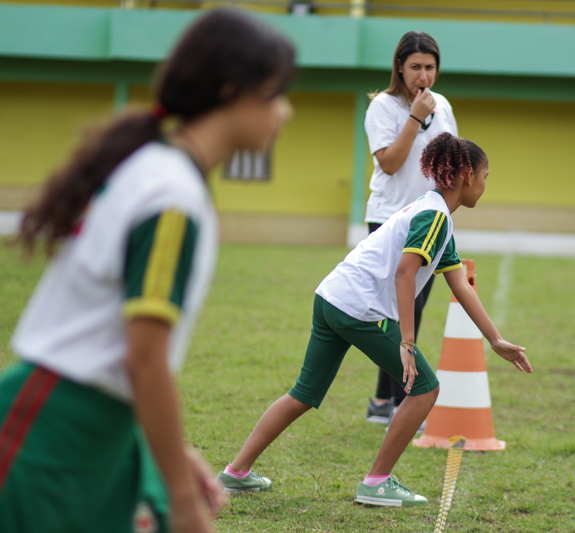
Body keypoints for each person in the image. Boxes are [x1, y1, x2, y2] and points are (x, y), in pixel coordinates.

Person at [0, 10, 295, 533]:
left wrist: (173, 456)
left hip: (98, 429)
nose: (285, 113)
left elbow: (120, 359)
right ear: (231, 90)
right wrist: (182, 500)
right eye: (275, 95)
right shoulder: (171, 196)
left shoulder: (160, 172)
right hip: (50, 434)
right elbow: (142, 358)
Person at [216, 132, 532, 507]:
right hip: (360, 308)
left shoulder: (432, 212)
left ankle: (235, 473)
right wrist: (408, 343)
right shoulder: (433, 215)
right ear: (465, 175)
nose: (484, 184)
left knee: (303, 393)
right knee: (426, 389)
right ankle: (376, 482)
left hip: (332, 297)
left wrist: (495, 340)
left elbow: (460, 284)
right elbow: (404, 273)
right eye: (484, 176)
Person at [363, 31, 459, 426]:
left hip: (429, 220)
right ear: (399, 67)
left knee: (411, 312)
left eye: (430, 67)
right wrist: (416, 116)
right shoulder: (382, 107)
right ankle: (403, 402)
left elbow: (451, 158)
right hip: (389, 220)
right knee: (399, 314)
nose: (423, 75)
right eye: (415, 67)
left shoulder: (445, 105)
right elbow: (389, 162)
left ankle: (384, 400)